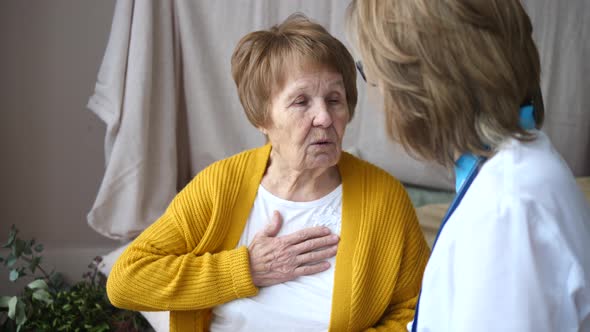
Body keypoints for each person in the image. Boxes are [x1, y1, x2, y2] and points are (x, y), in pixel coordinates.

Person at [107, 14, 429, 332]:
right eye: (301, 102)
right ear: (262, 117)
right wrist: (246, 269)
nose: (324, 118)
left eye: (334, 99)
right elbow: (127, 281)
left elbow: (418, 308)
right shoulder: (220, 186)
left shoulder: (384, 197)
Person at [347, 1, 590, 331]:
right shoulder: (520, 166)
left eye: (374, 73)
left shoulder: (505, 211)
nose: (379, 94)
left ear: (423, 84)